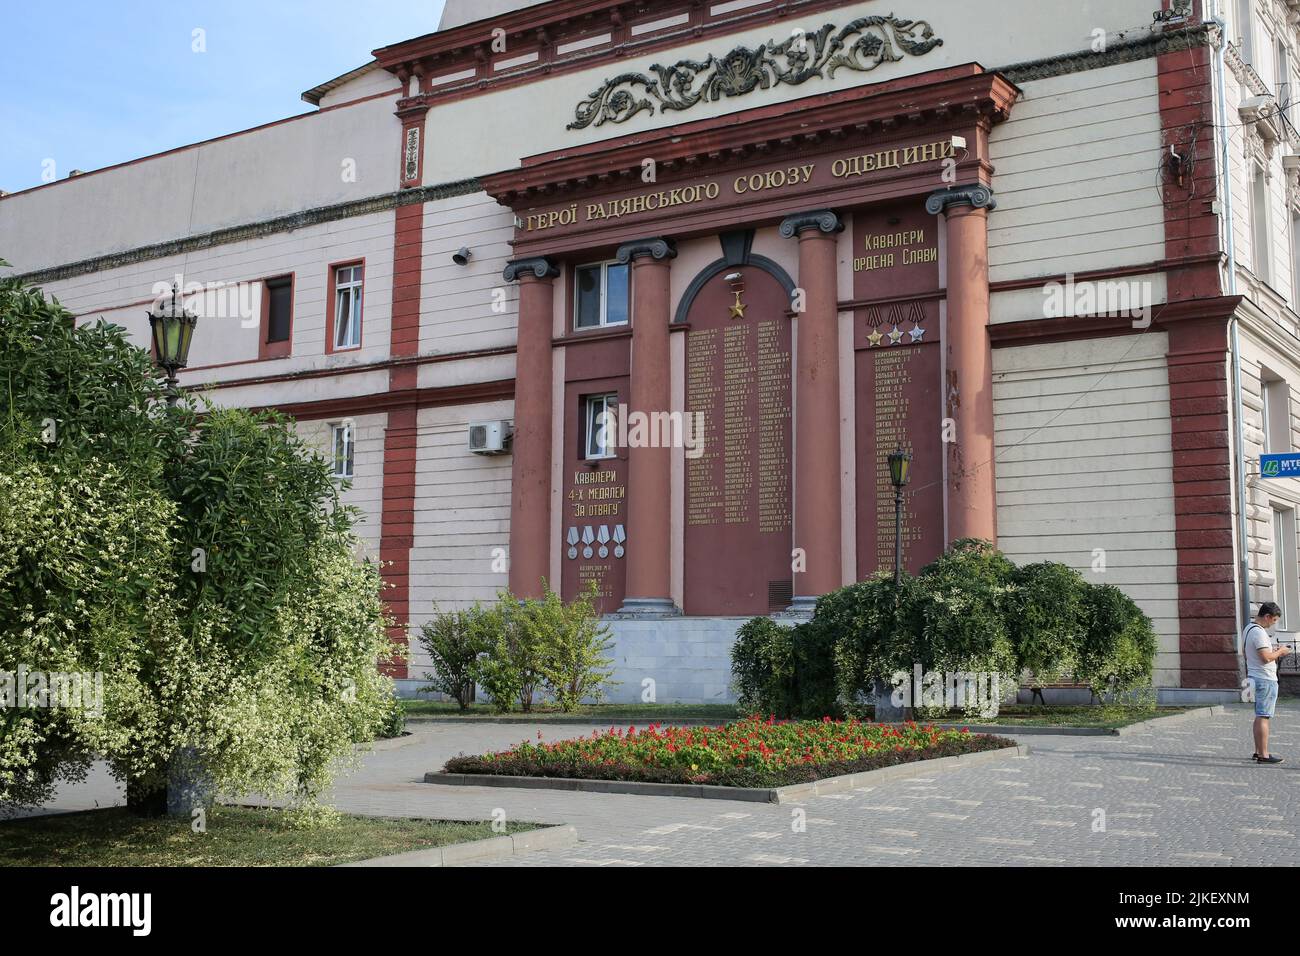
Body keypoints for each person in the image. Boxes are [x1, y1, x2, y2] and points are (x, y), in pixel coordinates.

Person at [1243, 602, 1291, 764]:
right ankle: (1264, 754)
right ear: (1267, 617)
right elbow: (1265, 658)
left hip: (1254, 676)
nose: (1274, 623)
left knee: (1259, 715)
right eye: (1274, 620)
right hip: (1265, 678)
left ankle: (1258, 752)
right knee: (1264, 716)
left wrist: (1272, 650)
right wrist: (1281, 651)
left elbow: (1249, 653)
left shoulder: (1248, 628)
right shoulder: (1260, 633)